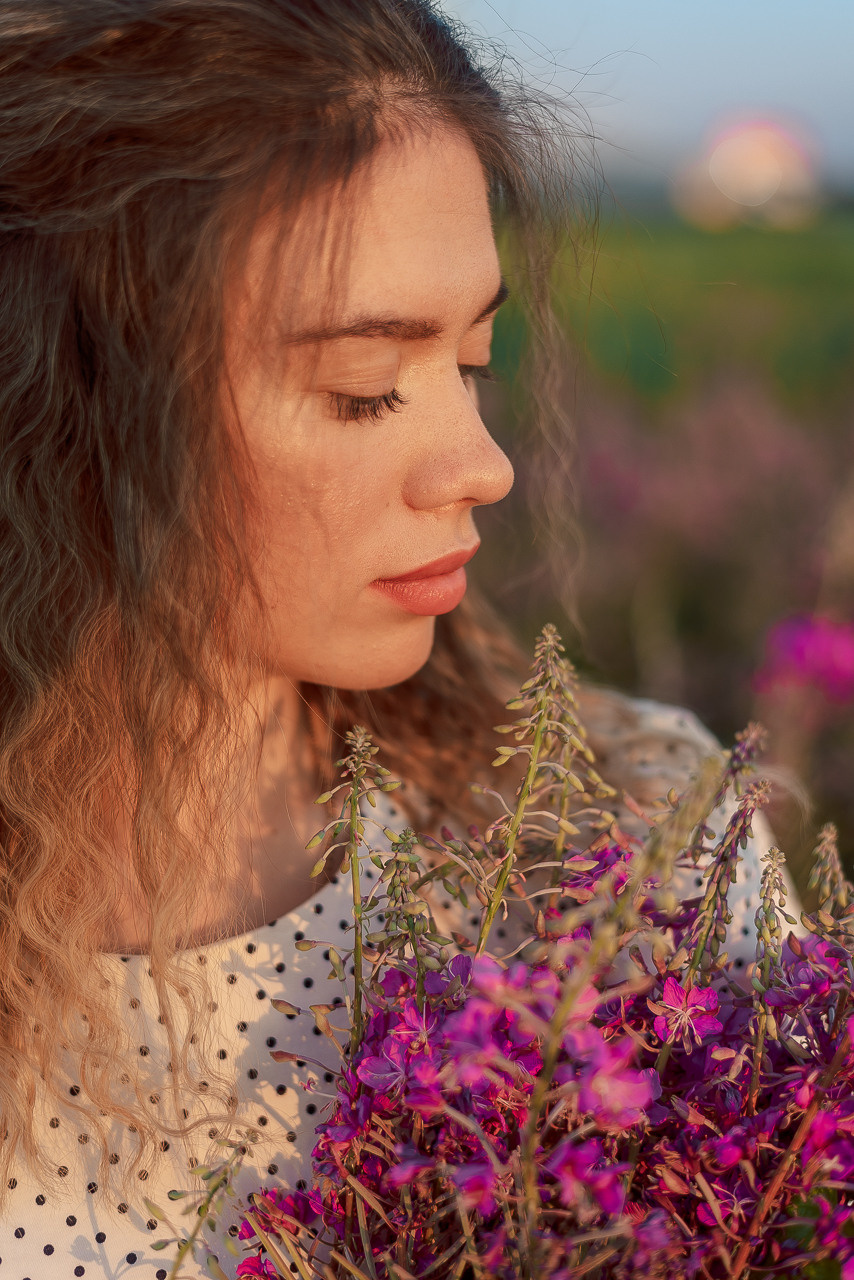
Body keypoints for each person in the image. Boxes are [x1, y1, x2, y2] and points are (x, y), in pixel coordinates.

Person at [0, 2, 794, 1276]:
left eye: (474, 358)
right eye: (365, 387)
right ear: (66, 402)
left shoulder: (648, 842)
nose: (482, 466)